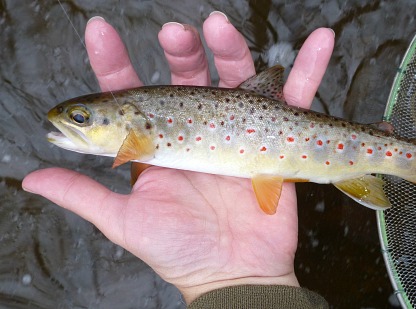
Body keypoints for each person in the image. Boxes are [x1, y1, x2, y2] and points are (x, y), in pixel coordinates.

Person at [23, 11, 334, 308]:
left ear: (131, 122)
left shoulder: (137, 140)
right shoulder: (137, 140)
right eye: (81, 118)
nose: (73, 122)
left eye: (80, 118)